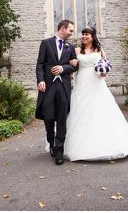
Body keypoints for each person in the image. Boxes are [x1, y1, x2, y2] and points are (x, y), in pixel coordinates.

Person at [62, 27, 128, 161]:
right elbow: (71, 66)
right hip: (82, 82)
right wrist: (71, 62)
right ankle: (78, 146)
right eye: (83, 34)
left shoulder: (99, 51)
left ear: (92, 36)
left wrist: (103, 71)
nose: (84, 37)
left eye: (87, 34)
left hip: (97, 83)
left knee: (101, 110)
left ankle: (108, 145)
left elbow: (105, 65)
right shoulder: (76, 51)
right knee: (81, 111)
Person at [35, 20, 78, 165]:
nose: (72, 33)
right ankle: (51, 142)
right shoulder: (46, 43)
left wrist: (63, 68)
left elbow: (74, 66)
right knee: (48, 116)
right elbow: (40, 64)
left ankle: (59, 151)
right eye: (70, 30)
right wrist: (40, 80)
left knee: (61, 118)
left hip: (63, 87)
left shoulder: (70, 47)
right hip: (48, 86)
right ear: (63, 28)